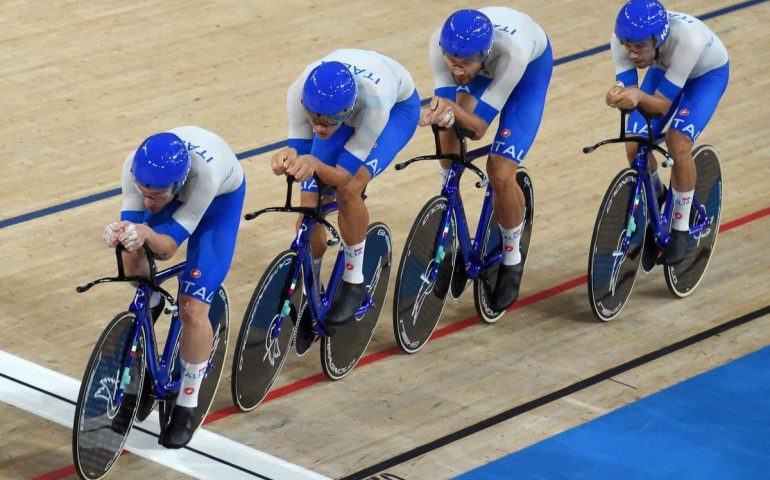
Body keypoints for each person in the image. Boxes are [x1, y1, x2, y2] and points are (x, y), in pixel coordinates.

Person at [102, 126, 245, 448]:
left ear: (177, 184)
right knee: (131, 256)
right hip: (175, 191)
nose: (149, 203)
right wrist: (123, 232)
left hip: (218, 205)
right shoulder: (133, 168)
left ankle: (187, 404)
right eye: (144, 193)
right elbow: (135, 230)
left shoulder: (203, 177)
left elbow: (167, 248)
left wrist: (147, 232)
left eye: (156, 197)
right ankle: (149, 314)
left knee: (193, 307)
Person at [271, 49, 419, 327]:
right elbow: (301, 155)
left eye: (326, 122)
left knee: (349, 189)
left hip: (397, 110)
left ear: (347, 110)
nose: (318, 127)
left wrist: (314, 161)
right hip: (342, 105)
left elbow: (341, 176)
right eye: (313, 118)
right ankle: (310, 285)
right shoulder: (299, 93)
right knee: (309, 204)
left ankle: (354, 280)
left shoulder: (374, 105)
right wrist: (286, 160)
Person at [422, 7, 553, 311]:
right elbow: (447, 109)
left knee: (500, 170)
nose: (456, 71)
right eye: (452, 62)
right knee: (448, 135)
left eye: (464, 63)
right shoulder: (440, 45)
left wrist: (452, 111)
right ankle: (451, 215)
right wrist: (440, 114)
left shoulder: (512, 54)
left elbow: (478, 128)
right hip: (485, 70)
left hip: (525, 76)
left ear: (485, 52)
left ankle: (511, 257)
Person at [606, 0, 729, 266]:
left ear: (659, 39)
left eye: (640, 48)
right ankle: (657, 193)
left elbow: (660, 106)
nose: (632, 54)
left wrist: (636, 95)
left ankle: (681, 227)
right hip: (665, 70)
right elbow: (630, 91)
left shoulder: (688, 42)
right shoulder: (622, 39)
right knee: (634, 142)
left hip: (706, 76)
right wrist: (618, 95)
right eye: (628, 46)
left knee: (678, 141)